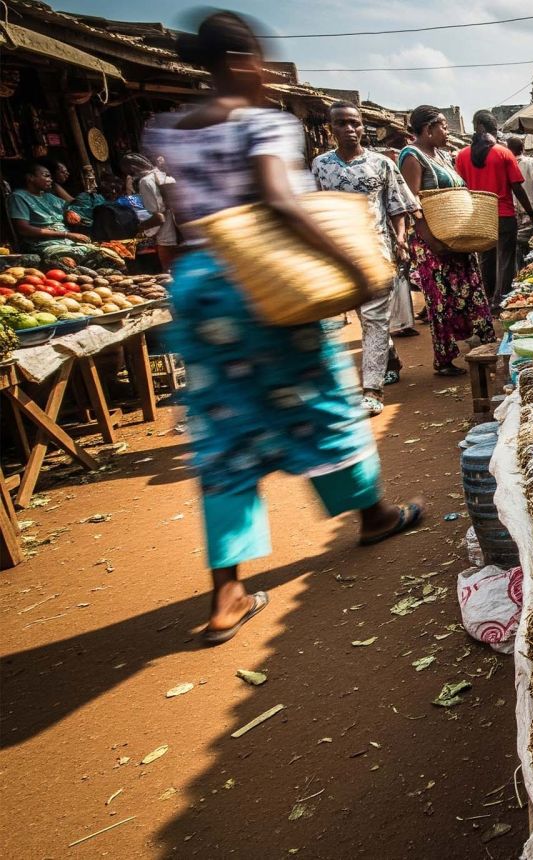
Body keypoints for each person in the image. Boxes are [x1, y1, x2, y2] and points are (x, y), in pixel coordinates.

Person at [144, 11, 424, 645]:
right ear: (243, 62)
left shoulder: (170, 127)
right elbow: (280, 199)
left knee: (223, 436)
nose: (267, 72)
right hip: (261, 288)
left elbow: (185, 218)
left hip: (202, 293)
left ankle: (227, 593)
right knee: (322, 402)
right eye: (262, 60)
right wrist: (353, 261)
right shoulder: (265, 123)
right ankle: (374, 513)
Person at [311, 100, 419, 416]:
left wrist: (400, 239)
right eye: (342, 123)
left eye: (355, 123)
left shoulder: (381, 164)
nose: (350, 129)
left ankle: (371, 389)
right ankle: (390, 358)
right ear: (331, 129)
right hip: (339, 254)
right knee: (365, 315)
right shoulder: (320, 165)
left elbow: (397, 205)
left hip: (377, 250)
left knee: (373, 317)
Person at [399, 105, 497, 376]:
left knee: (472, 291)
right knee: (442, 300)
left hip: (456, 241)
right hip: (433, 242)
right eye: (442, 125)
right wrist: (433, 241)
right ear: (428, 129)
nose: (447, 130)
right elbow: (412, 202)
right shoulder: (412, 156)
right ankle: (443, 360)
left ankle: (485, 343)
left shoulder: (442, 155)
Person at [455, 110, 533, 305]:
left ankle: (487, 299)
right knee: (506, 260)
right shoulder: (503, 153)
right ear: (492, 130)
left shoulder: (462, 156)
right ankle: (500, 301)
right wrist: (531, 215)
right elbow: (517, 188)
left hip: (479, 217)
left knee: (485, 260)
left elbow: (461, 188)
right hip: (504, 215)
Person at [6, 160, 111, 264]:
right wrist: (66, 234)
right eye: (46, 176)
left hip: (67, 242)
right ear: (30, 178)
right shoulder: (19, 197)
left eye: (51, 177)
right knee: (71, 259)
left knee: (104, 253)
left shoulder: (49, 197)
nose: (50, 180)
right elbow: (24, 229)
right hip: (43, 244)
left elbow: (71, 208)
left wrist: (72, 214)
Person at [123, 153, 180, 271]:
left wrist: (144, 229)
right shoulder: (164, 176)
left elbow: (157, 214)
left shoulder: (145, 182)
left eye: (129, 172)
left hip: (165, 234)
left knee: (170, 271)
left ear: (133, 168)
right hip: (178, 227)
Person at [505, 136, 533, 248]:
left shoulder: (506, 165)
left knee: (518, 243)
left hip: (514, 211)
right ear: (522, 148)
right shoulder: (530, 161)